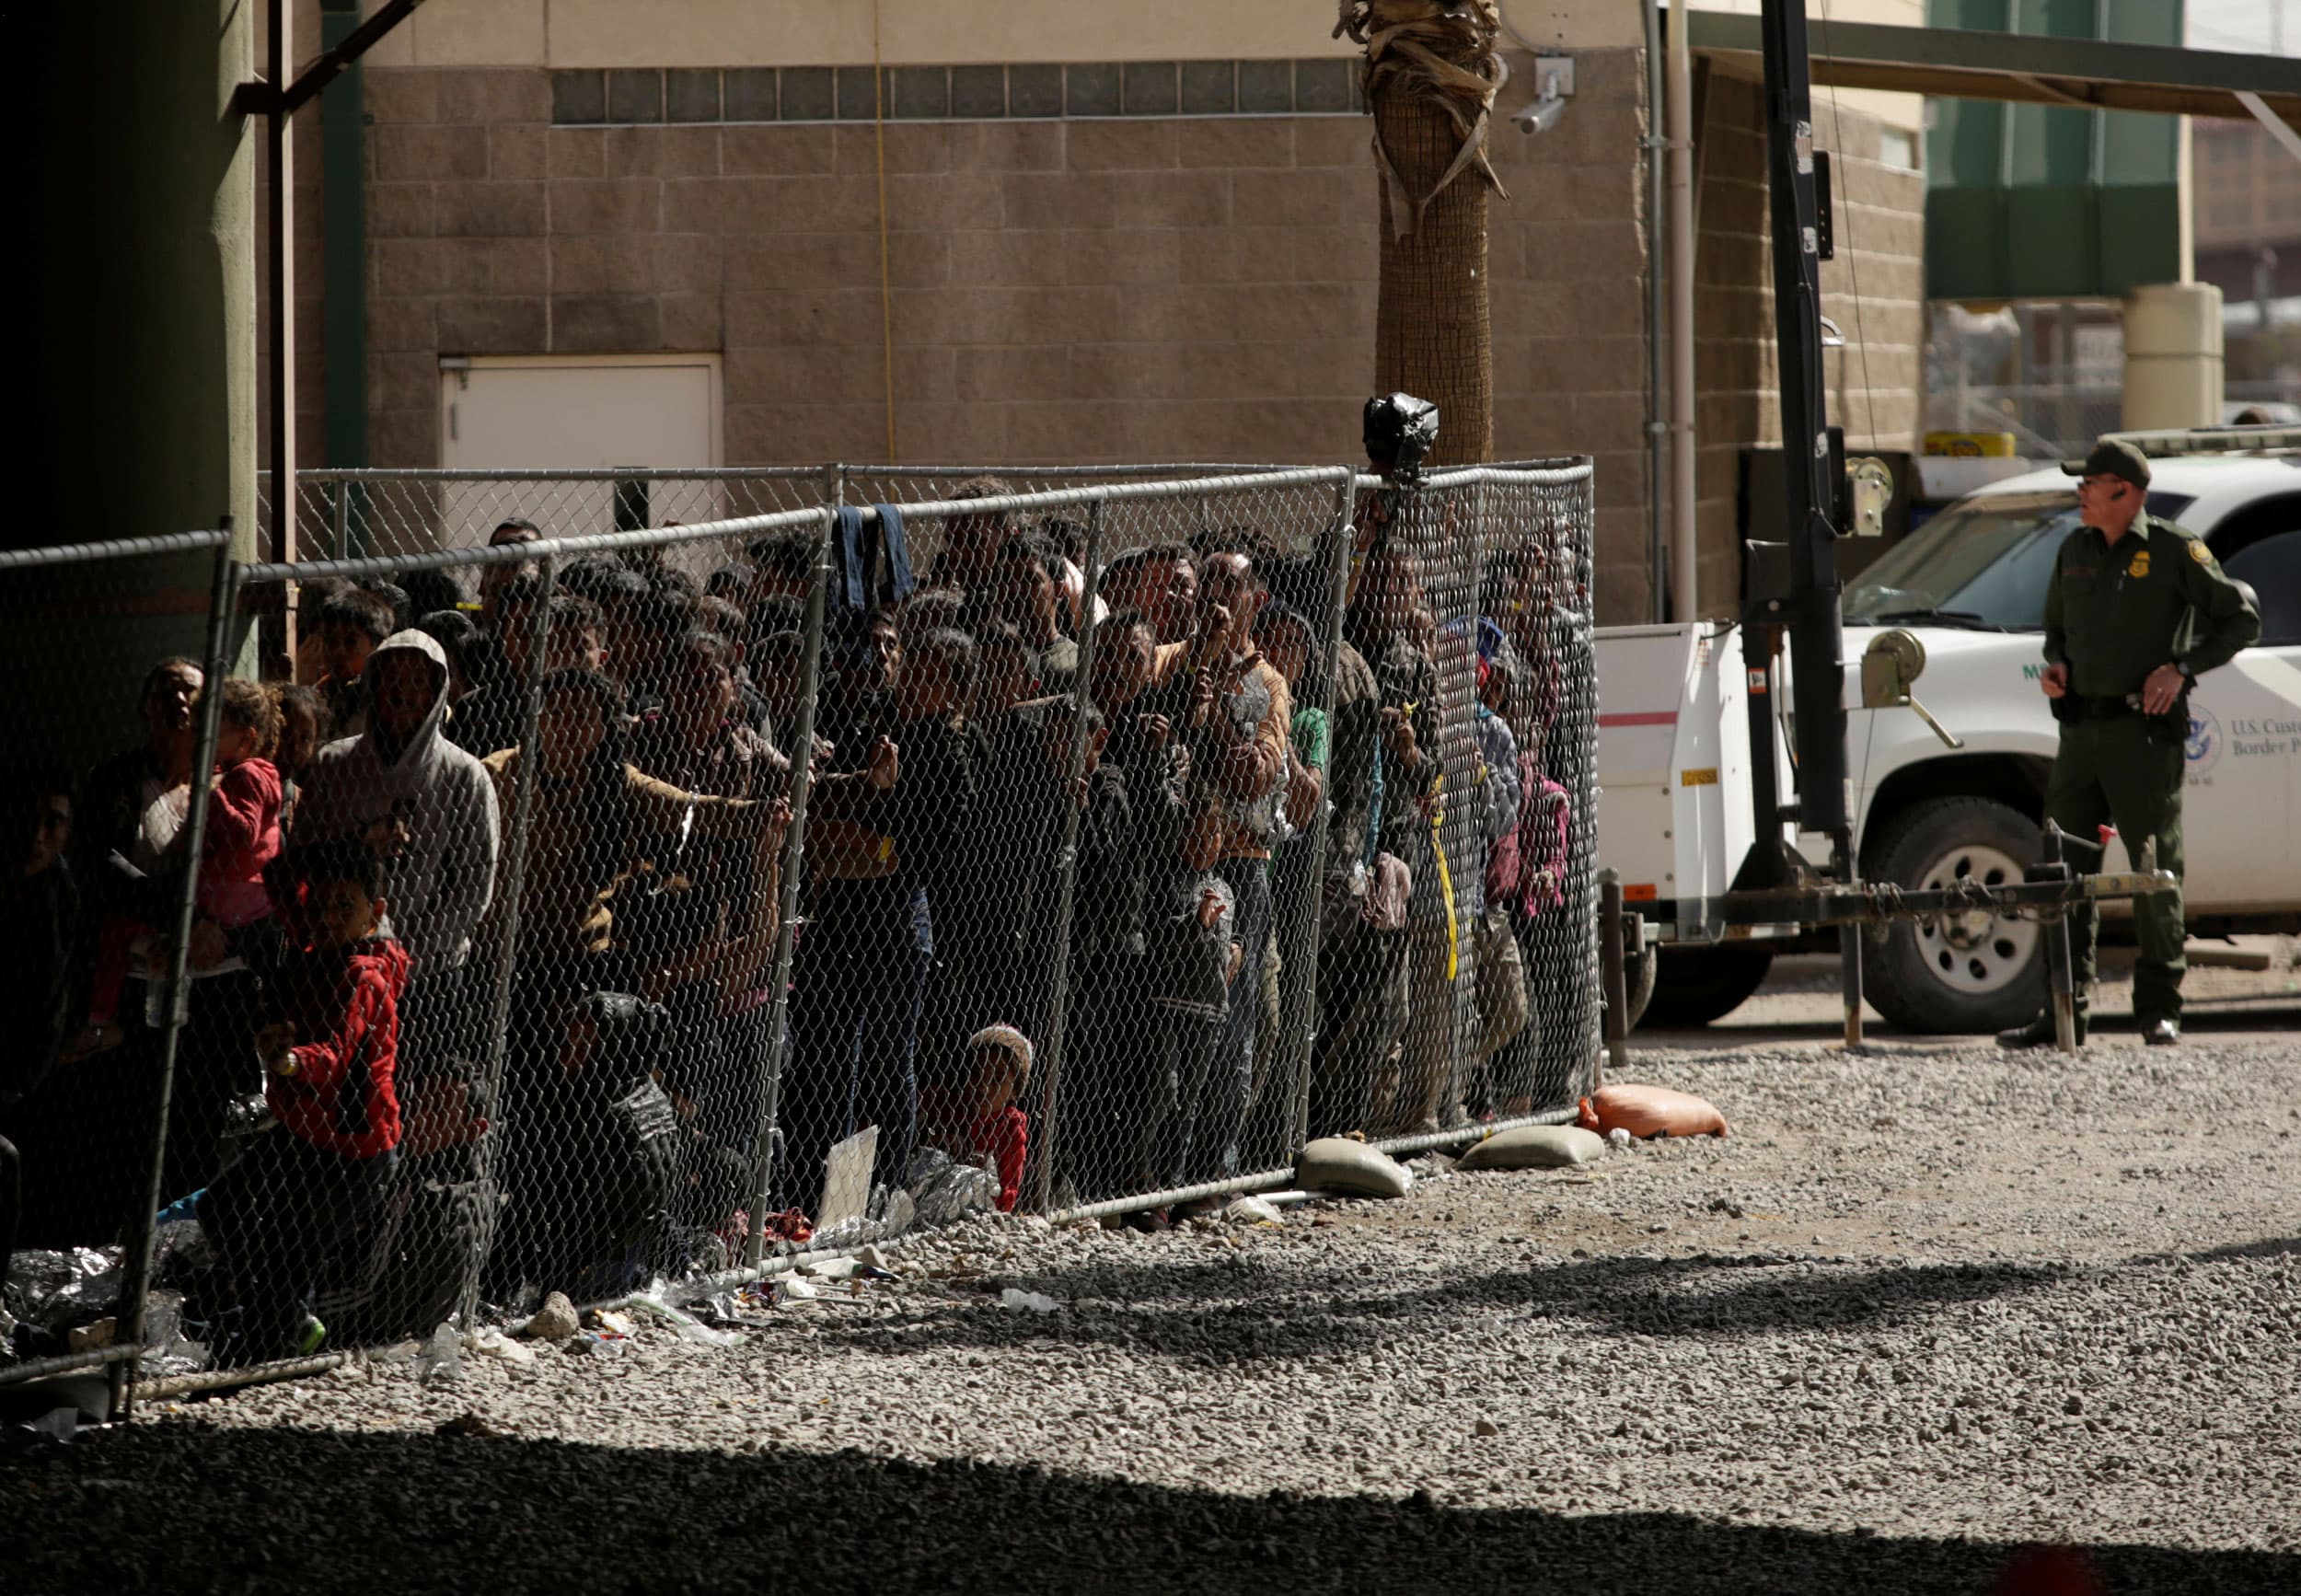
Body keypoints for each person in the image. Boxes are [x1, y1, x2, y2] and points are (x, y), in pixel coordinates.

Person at [1998, 438, 2260, 1049]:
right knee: (2062, 872)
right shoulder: (2075, 550)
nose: (2081, 496)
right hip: (2081, 735)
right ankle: (2063, 1009)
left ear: (2124, 492)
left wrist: (2182, 669)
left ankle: (2159, 1010)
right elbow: (2055, 632)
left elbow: (2241, 620)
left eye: (2089, 486)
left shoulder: (2174, 549)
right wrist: (2056, 667)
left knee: (2154, 872)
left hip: (2143, 736)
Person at [203, 840, 407, 1361]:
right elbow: (277, 875)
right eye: (320, 906)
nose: (329, 918)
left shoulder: (365, 977)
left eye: (346, 908)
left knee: (289, 1252)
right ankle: (280, 1322)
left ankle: (271, 1350)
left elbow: (336, 1053)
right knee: (222, 1206)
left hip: (354, 1151)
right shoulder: (311, 954)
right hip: (306, 1134)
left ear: (373, 914)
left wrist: (289, 1062)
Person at [295, 630, 501, 1073]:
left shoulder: (464, 776)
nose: (401, 692)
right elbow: (302, 858)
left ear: (436, 692)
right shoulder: (334, 764)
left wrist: (402, 955)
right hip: (340, 969)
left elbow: (471, 888)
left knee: (417, 1097)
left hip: (428, 980)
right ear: (372, 686)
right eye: (390, 679)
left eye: (415, 682)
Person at [919, 1024, 1033, 1213]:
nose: (983, 1087)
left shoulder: (1011, 1129)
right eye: (976, 1074)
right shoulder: (948, 1108)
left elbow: (1006, 1196)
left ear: (1015, 1091)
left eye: (997, 1079)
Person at [315, 586, 398, 740]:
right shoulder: (322, 690)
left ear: (378, 645)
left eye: (350, 642)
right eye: (330, 640)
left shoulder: (382, 697)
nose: (338, 651)